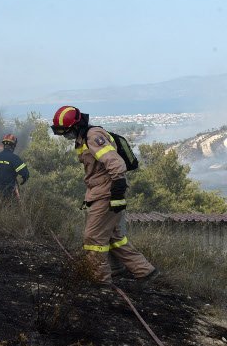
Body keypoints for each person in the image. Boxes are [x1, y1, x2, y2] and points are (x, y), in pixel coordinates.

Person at [51, 105, 159, 286]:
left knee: (93, 238)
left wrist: (117, 193)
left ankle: (99, 279)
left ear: (76, 126)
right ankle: (144, 271)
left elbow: (116, 163)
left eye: (66, 131)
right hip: (99, 192)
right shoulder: (82, 138)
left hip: (106, 194)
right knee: (115, 238)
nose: (64, 135)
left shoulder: (93, 136)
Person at [0, 133, 29, 199]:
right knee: (13, 208)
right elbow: (25, 173)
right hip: (8, 193)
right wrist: (24, 179)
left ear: (4, 144)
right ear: (13, 145)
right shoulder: (14, 158)